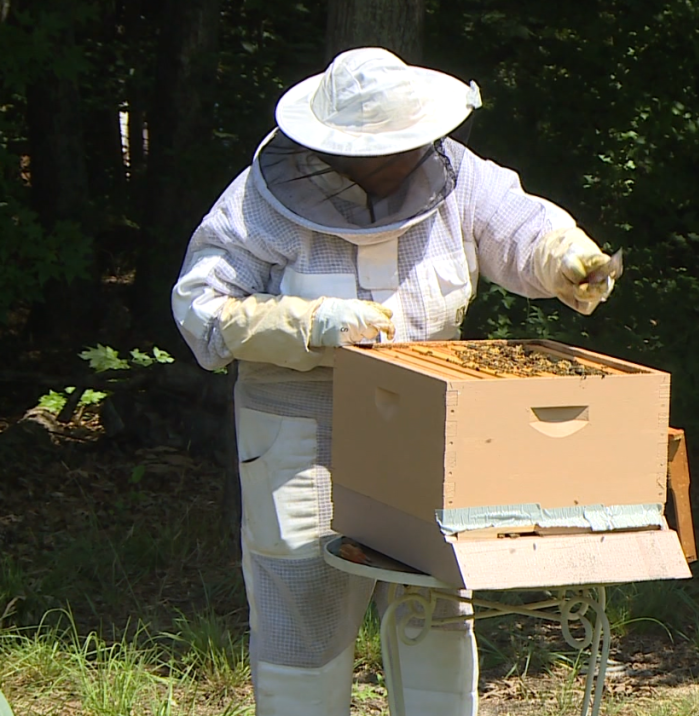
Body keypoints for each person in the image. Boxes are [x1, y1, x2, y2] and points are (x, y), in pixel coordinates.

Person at [171, 47, 619, 716]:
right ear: (335, 146)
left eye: (411, 142)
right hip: (301, 442)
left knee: (435, 608)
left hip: (426, 432)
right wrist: (311, 325)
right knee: (303, 617)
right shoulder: (259, 201)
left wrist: (564, 254)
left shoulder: (455, 173)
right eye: (387, 149)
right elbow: (201, 312)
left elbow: (520, 226)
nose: (406, 157)